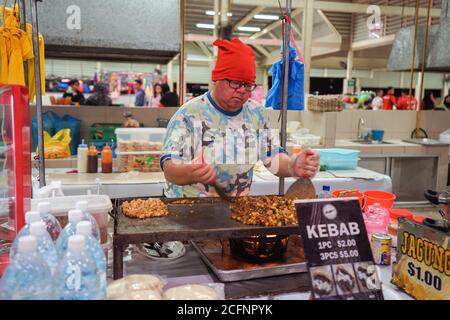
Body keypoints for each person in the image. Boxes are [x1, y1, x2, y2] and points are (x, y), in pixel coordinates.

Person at [161, 38, 320, 198]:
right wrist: (191, 172)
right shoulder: (189, 114)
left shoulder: (257, 113)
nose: (242, 90)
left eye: (248, 85)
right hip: (189, 209)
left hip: (235, 209)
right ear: (216, 79)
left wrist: (292, 165)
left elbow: (272, 157)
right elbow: (170, 169)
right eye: (235, 83)